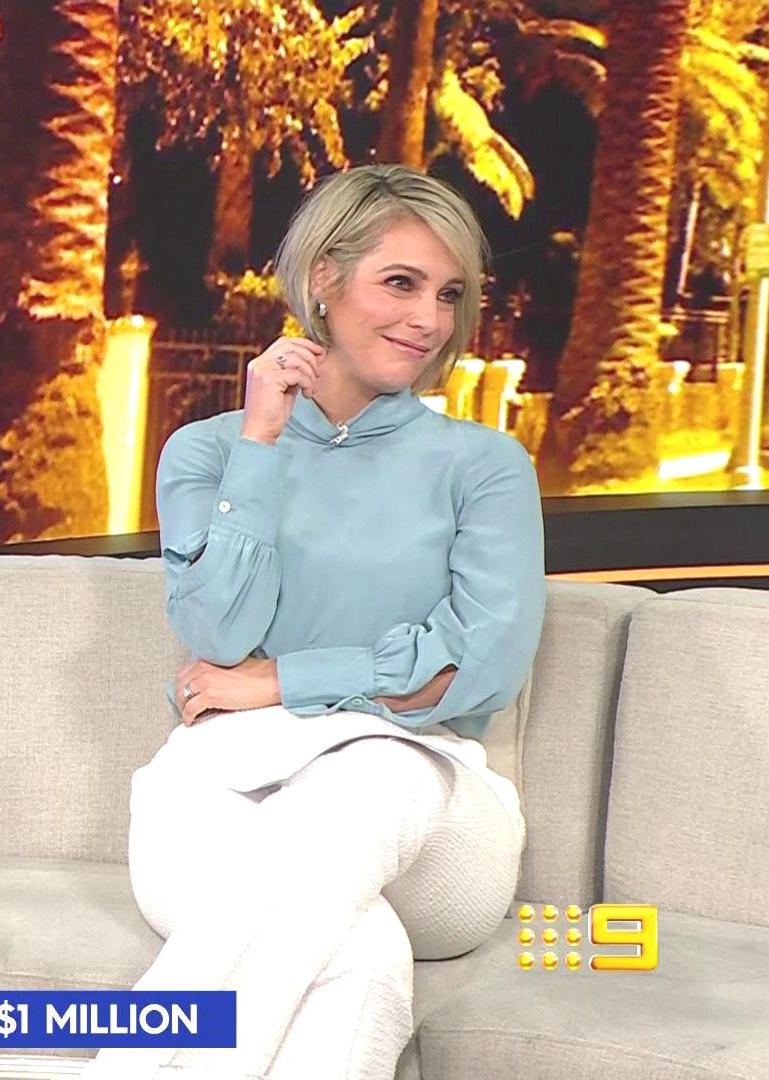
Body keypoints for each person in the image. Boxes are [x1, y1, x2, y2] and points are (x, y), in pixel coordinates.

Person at [87, 165, 544, 1079]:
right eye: (401, 283)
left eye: (449, 294)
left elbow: (481, 664)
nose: (430, 319)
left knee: (373, 769)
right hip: (227, 792)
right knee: (355, 956)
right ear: (323, 280)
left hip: (427, 813)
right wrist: (259, 445)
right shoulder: (209, 451)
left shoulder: (484, 465)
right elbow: (219, 632)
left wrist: (278, 682)